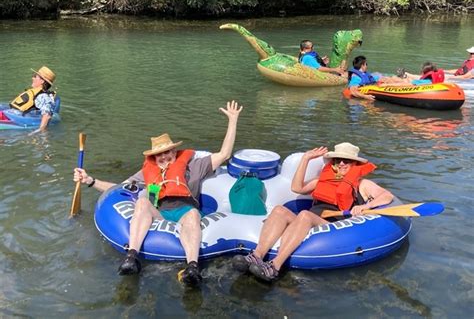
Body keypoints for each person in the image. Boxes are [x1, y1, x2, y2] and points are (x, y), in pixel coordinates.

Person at [74, 101, 243, 285]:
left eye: (167, 152)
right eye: (159, 155)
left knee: (194, 214)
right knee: (142, 203)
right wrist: (90, 181)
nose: (164, 157)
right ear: (154, 157)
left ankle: (192, 267)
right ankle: (131, 258)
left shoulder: (195, 165)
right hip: (160, 212)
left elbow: (225, 154)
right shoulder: (148, 171)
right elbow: (118, 188)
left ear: (174, 151)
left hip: (185, 211)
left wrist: (232, 120)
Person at [233, 142, 393, 282]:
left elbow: (387, 196)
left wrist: (365, 207)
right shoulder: (324, 180)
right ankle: (257, 256)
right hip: (310, 220)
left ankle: (275, 266)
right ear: (334, 163)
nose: (342, 163)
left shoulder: (363, 184)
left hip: (332, 225)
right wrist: (305, 159)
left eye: (348, 161)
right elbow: (297, 188)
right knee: (279, 210)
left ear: (355, 164)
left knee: (305, 215)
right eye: (338, 160)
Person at [9, 66, 57, 133]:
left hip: (16, 120)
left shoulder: (42, 96)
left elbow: (47, 115)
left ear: (42, 81)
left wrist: (40, 130)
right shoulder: (37, 93)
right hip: (12, 115)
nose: (32, 78)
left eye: (35, 76)